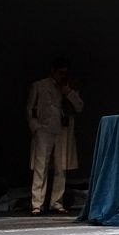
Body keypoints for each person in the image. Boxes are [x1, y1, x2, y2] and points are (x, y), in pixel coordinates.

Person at [27, 57, 84, 216]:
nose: (63, 76)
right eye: (60, 72)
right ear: (53, 71)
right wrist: (36, 128)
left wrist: (68, 92)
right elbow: (30, 109)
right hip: (44, 130)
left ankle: (56, 202)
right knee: (41, 167)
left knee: (61, 168)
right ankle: (37, 203)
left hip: (63, 131)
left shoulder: (69, 87)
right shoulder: (39, 85)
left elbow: (79, 107)